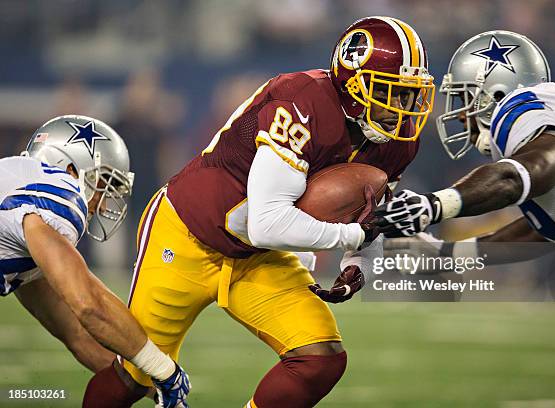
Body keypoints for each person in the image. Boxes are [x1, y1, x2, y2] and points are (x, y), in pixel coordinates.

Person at [83, 16, 435, 408]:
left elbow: (369, 220)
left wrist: (359, 264)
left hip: (257, 255)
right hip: (188, 233)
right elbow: (268, 222)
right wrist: (349, 239)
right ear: (353, 83)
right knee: (136, 376)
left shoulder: (396, 143)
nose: (402, 108)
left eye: (409, 94)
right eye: (391, 92)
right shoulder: (303, 101)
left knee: (320, 360)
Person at [375, 30, 555, 406]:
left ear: (496, 93)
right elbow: (540, 232)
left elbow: (529, 168)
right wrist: (444, 255)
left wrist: (435, 206)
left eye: (465, 97)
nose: (461, 112)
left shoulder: (527, 110)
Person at [0, 115, 190, 408]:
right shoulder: (56, 194)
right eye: (102, 183)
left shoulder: (21, 196)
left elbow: (77, 334)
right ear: (71, 168)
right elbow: (89, 305)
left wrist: (153, 387)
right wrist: (164, 369)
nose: (102, 202)